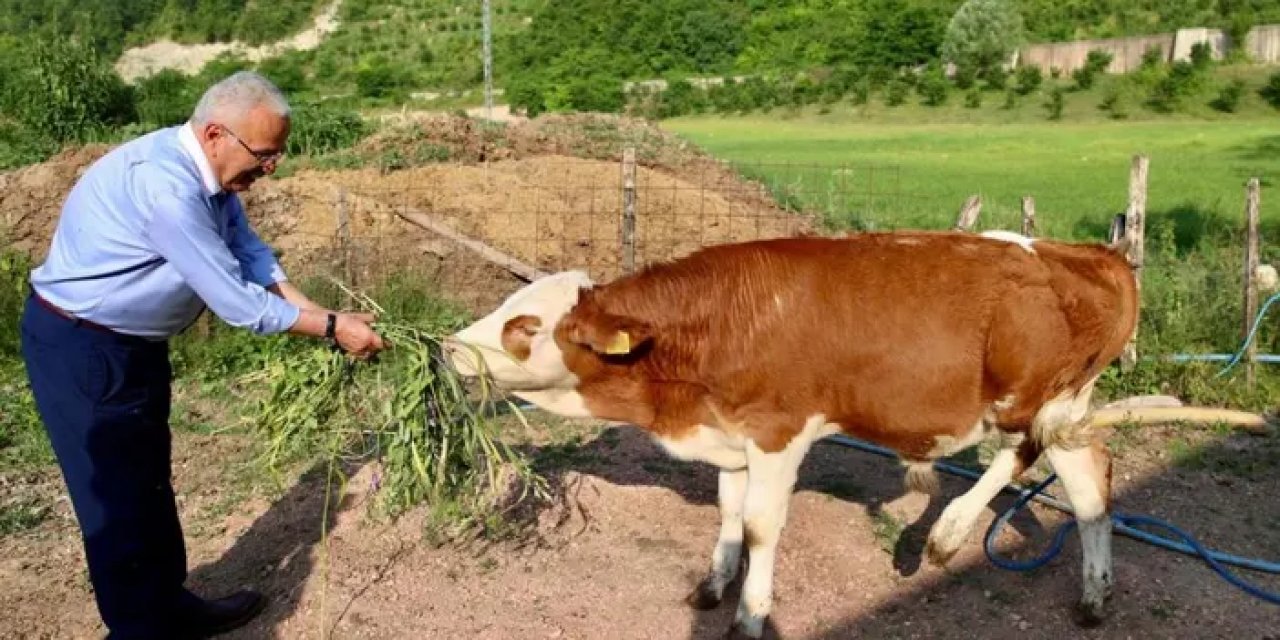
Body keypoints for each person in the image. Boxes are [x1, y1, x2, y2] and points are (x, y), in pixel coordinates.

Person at [18, 71, 385, 639]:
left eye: (278, 153)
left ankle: (170, 607)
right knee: (116, 502)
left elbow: (252, 258)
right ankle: (141, 629)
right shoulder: (166, 187)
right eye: (265, 153)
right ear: (217, 134)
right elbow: (237, 301)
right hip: (84, 348)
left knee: (149, 483)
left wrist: (326, 316)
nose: (272, 167)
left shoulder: (210, 177)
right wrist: (332, 328)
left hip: (129, 346)